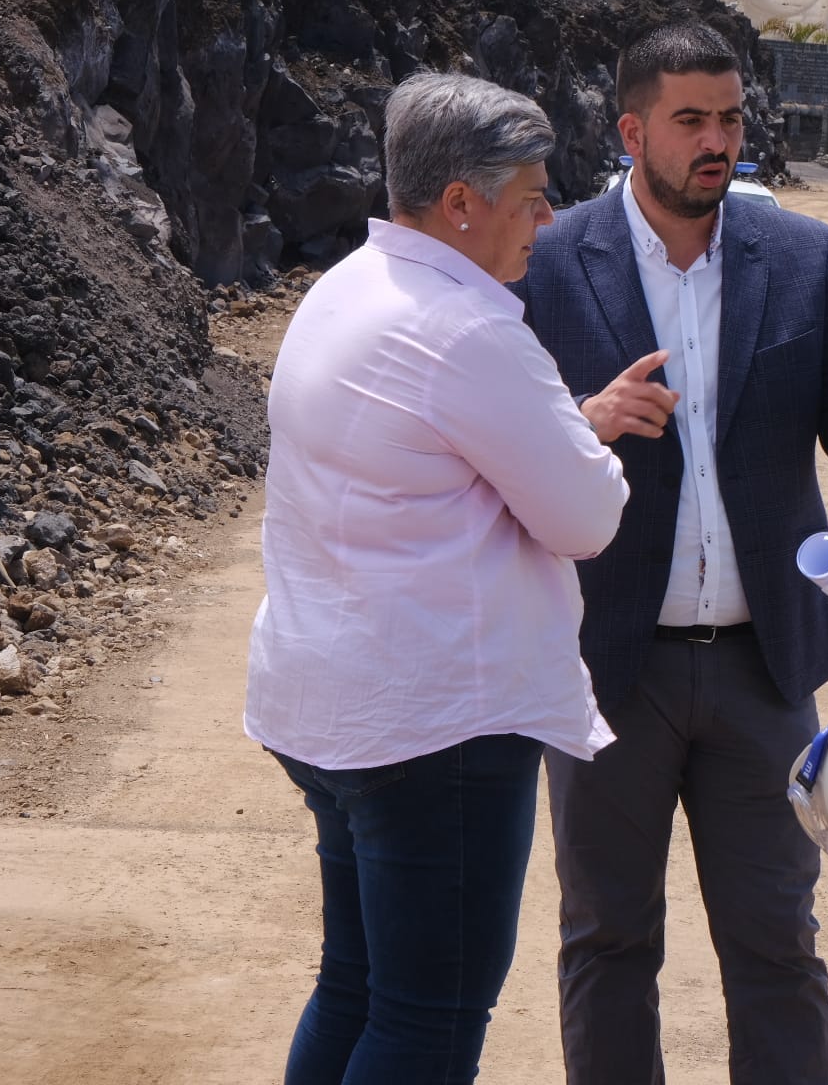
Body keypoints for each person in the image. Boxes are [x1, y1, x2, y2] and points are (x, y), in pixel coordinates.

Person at [511, 20, 828, 1085]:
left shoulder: (800, 256)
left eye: (732, 118)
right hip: (611, 664)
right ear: (631, 131)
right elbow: (507, 441)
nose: (718, 140)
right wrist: (585, 416)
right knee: (608, 940)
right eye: (691, 120)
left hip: (765, 667)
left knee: (776, 941)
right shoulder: (555, 259)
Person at [243, 71, 630, 1085]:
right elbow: (586, 516)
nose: (544, 220)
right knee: (427, 1017)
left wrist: (561, 428)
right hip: (437, 723)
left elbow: (424, 456)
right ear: (462, 201)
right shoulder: (470, 327)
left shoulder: (349, 287)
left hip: (337, 703)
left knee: (357, 985)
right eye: (533, 196)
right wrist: (584, 447)